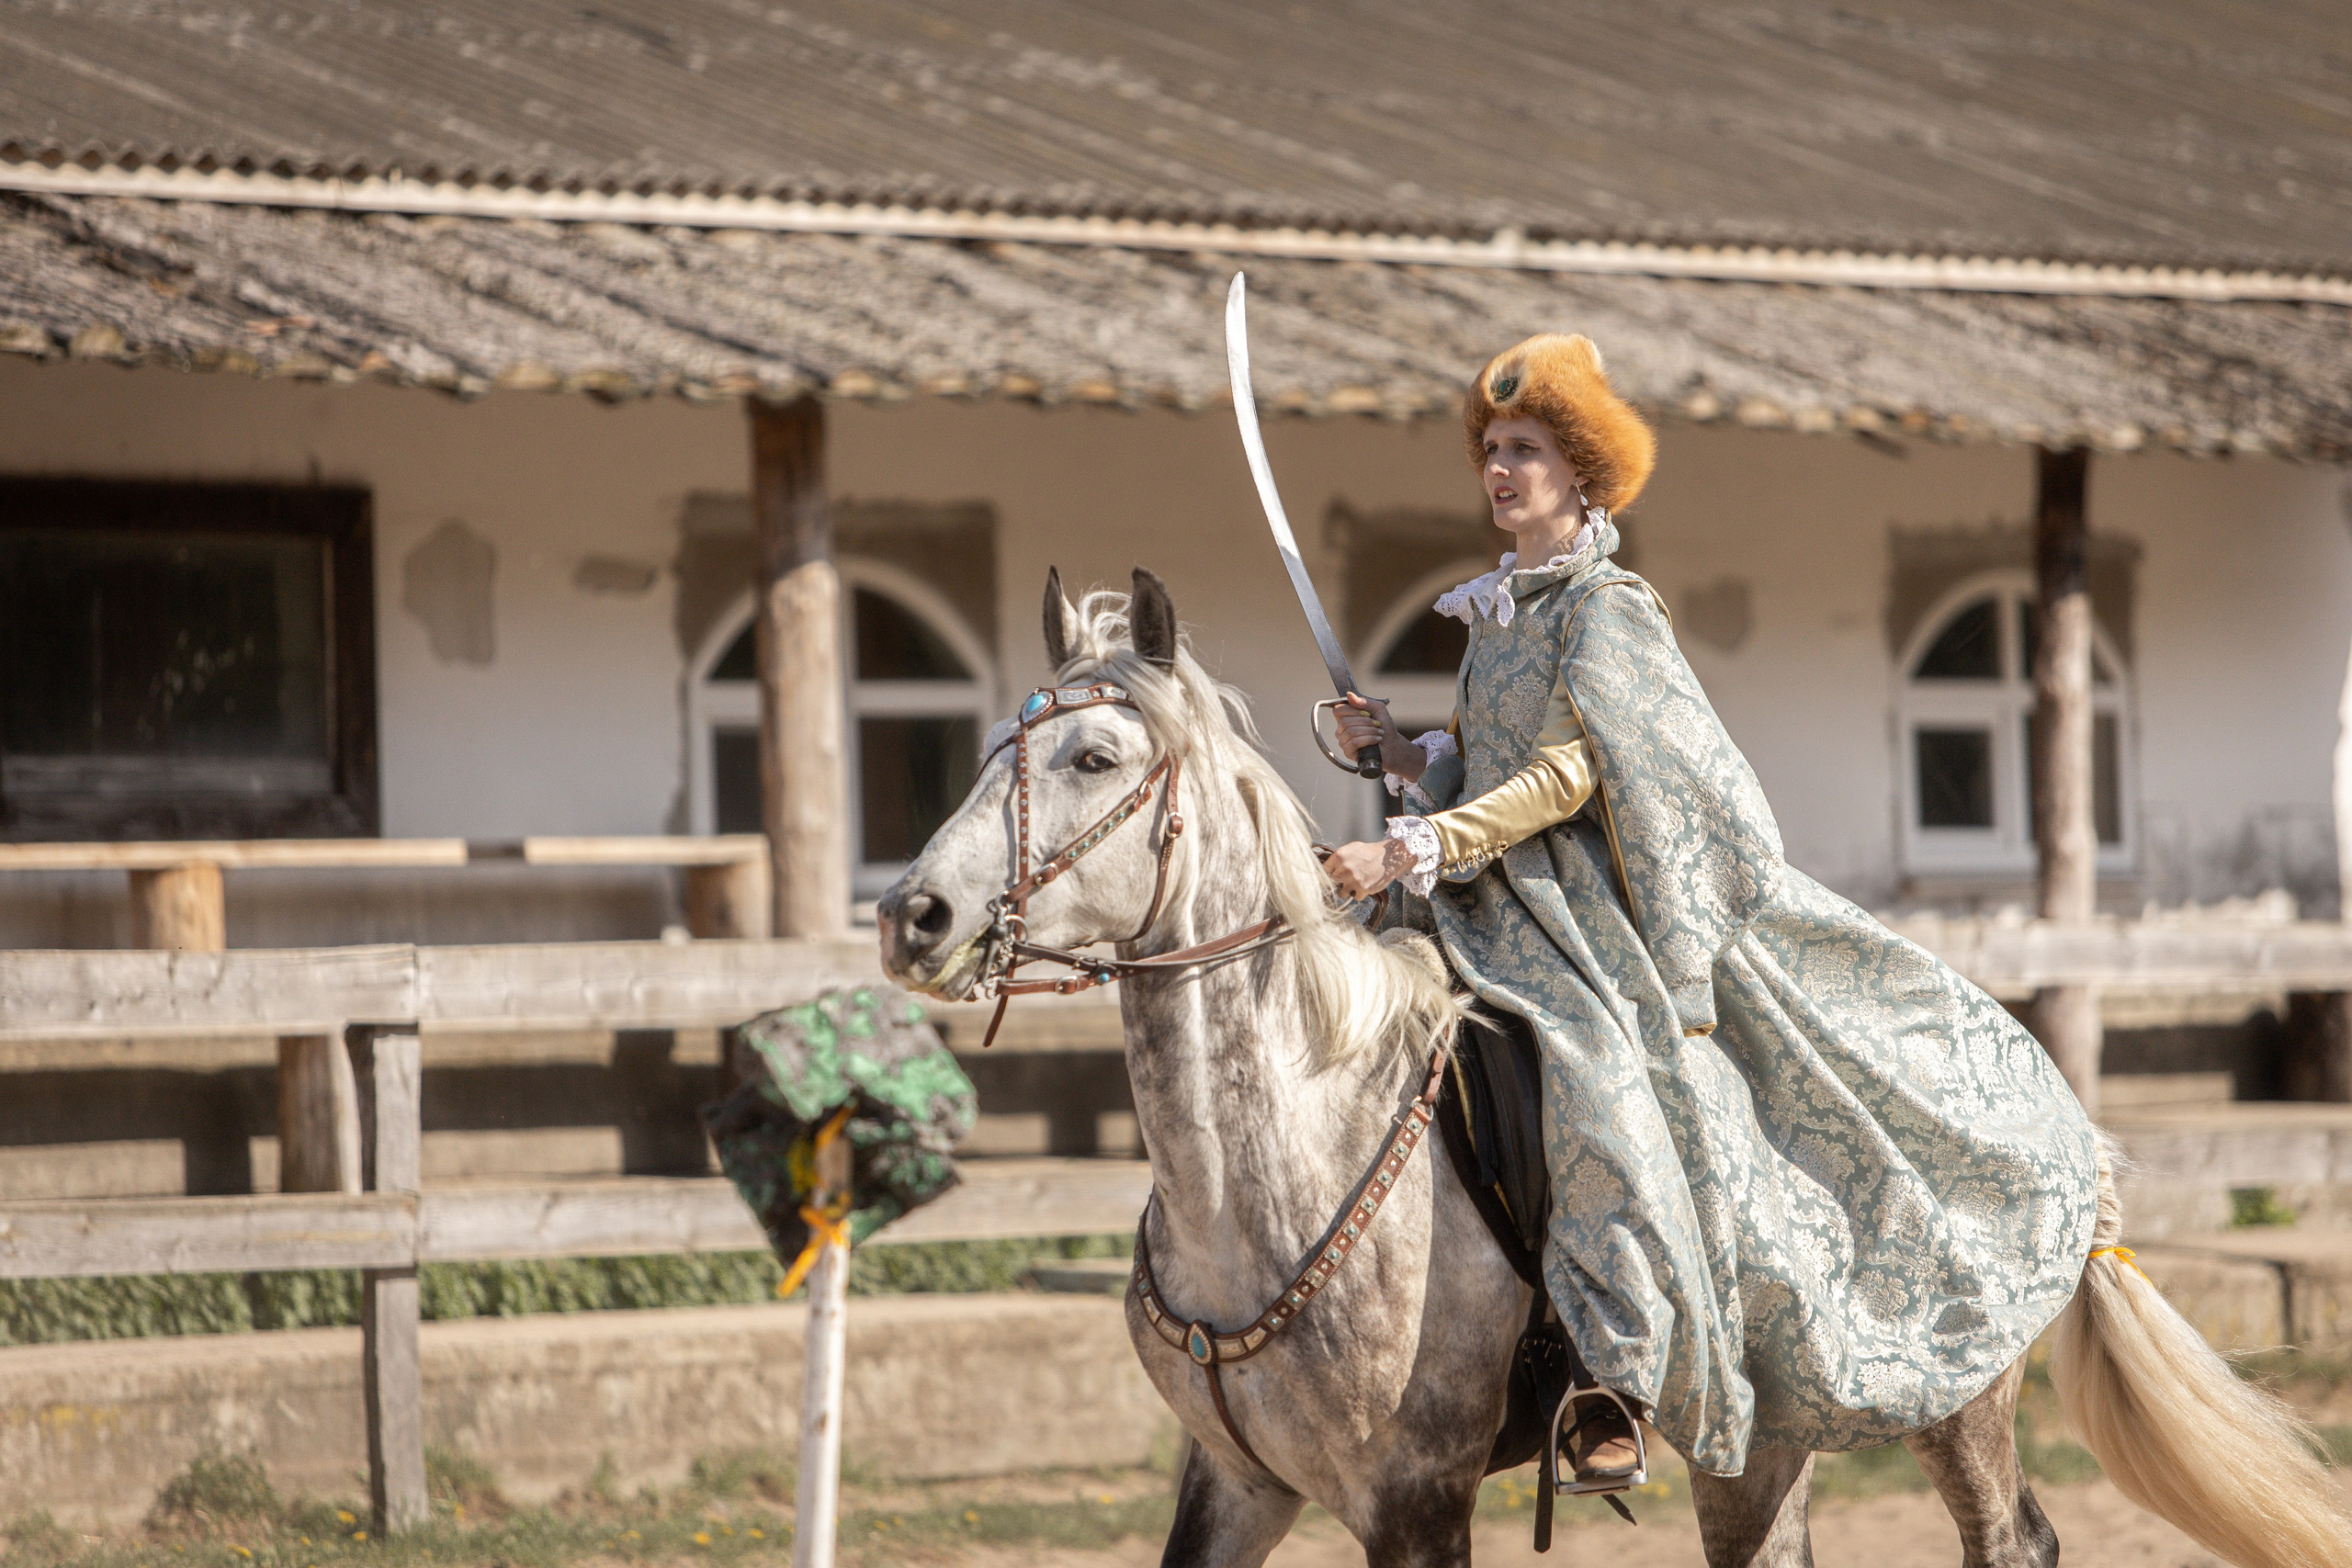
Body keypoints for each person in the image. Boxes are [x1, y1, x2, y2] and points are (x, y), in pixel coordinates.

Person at [1321, 333, 2099, 1486]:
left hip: (1586, 920)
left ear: (1581, 472)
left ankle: (1614, 1377)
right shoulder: (1498, 613)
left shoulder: (1606, 609)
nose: (1499, 470)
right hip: (1483, 901)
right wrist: (1393, 750)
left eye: (1525, 449)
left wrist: (1409, 847)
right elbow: (1486, 766)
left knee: (1596, 1086)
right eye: (1491, 449)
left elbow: (1564, 780)